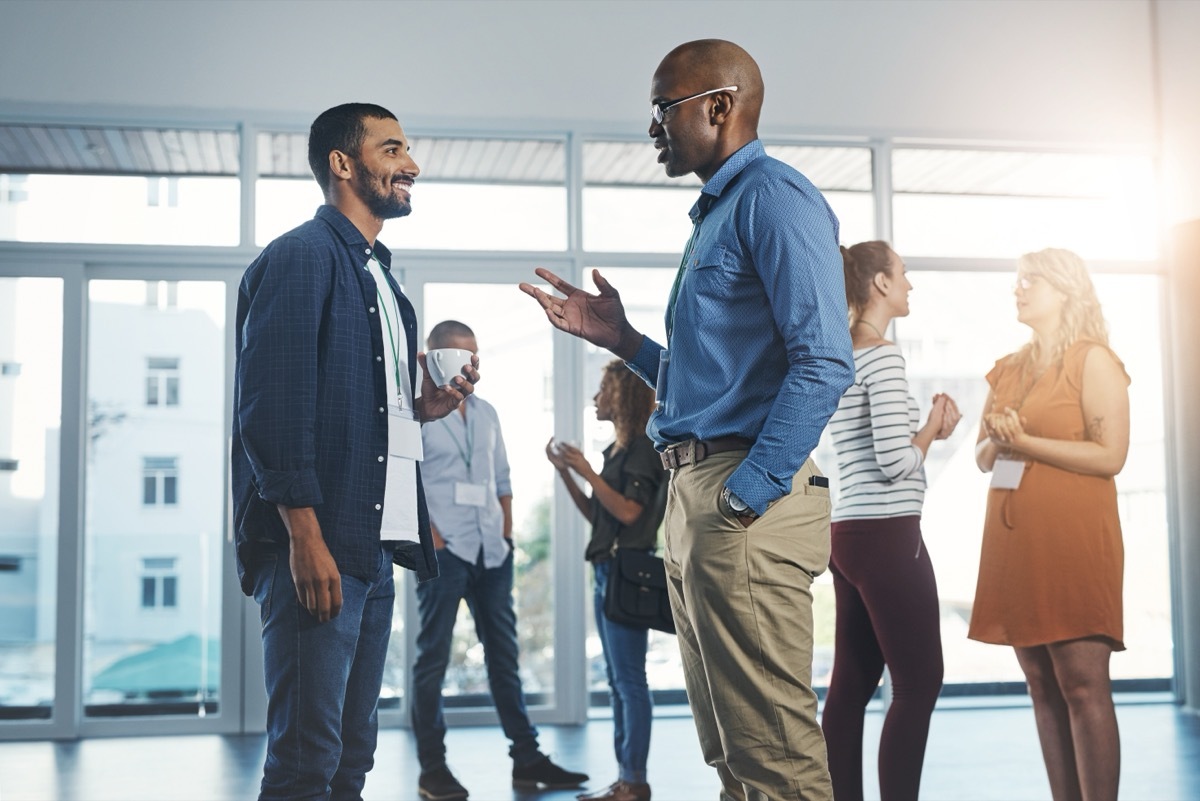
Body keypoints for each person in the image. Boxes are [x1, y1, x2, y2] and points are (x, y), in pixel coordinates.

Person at [521, 39, 854, 801]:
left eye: (663, 109)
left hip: (739, 499)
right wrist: (622, 340)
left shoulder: (774, 197)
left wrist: (747, 493)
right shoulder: (719, 214)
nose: (652, 129)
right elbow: (707, 386)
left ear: (720, 106)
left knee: (774, 757)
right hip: (698, 496)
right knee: (733, 753)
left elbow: (826, 359)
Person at [231, 103, 479, 801]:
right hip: (320, 543)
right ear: (344, 164)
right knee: (307, 762)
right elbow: (272, 406)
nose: (412, 164)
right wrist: (304, 537)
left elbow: (367, 414)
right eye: (393, 148)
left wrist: (422, 408)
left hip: (372, 547)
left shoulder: (385, 281)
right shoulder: (301, 258)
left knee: (349, 760)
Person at [970, 248, 1129, 801]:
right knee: (1041, 687)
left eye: (1030, 281)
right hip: (1016, 547)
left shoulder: (1094, 361)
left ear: (1064, 290)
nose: (1019, 289)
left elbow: (1111, 456)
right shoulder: (1009, 367)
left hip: (1074, 545)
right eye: (1017, 280)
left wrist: (1024, 439)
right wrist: (999, 436)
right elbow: (983, 457)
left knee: (1083, 689)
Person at [411, 320, 588, 801]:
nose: (466, 364)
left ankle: (527, 760)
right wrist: (434, 538)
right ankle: (433, 769)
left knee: (505, 659)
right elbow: (407, 479)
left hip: (492, 550)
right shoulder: (417, 412)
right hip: (444, 551)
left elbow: (503, 479)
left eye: (472, 355)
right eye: (455, 355)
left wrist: (506, 534)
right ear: (430, 359)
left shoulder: (487, 413)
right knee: (432, 660)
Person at [820, 241, 961, 801]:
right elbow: (896, 460)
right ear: (879, 283)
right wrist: (932, 426)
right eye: (903, 274)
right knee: (919, 683)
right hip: (887, 532)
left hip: (847, 532)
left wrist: (926, 432)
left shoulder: (839, 353)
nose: (910, 284)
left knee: (851, 684)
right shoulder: (881, 355)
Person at [546, 360, 668, 801]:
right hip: (607, 568)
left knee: (629, 681)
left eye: (603, 389)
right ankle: (625, 778)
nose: (597, 397)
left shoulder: (642, 450)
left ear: (624, 396)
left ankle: (634, 781)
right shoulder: (615, 452)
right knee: (620, 682)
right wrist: (567, 472)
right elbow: (599, 517)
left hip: (627, 572)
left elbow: (631, 513)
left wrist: (586, 471)